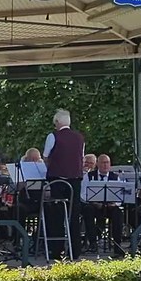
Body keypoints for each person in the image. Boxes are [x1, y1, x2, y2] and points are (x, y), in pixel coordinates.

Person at [42, 109, 85, 258]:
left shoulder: (53, 136)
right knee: (74, 215)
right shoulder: (80, 138)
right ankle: (75, 251)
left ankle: (56, 250)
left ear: (58, 122)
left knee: (57, 214)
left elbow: (46, 157)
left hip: (58, 179)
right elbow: (81, 157)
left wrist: (52, 167)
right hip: (75, 180)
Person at [82, 154, 126, 256]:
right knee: (87, 210)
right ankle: (93, 242)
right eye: (103, 163)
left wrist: (115, 203)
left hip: (110, 206)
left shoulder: (115, 177)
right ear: (97, 164)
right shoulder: (88, 176)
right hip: (94, 205)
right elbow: (83, 194)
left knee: (118, 213)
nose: (105, 165)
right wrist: (93, 202)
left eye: (107, 163)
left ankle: (117, 244)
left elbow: (120, 195)